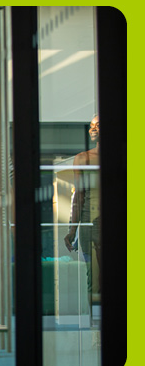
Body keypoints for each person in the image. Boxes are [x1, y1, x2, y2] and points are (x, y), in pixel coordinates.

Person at [64, 115, 101, 299]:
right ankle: (96, 326)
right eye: (91, 126)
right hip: (90, 224)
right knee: (94, 279)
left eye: (98, 125)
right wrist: (72, 230)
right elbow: (79, 195)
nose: (92, 129)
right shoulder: (83, 158)